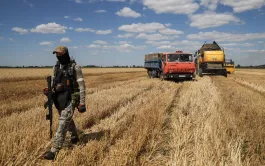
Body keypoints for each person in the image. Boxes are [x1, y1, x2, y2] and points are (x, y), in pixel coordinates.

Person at [43, 45, 86, 160]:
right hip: (59, 99)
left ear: (65, 54)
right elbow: (53, 82)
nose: (57, 56)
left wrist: (82, 102)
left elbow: (81, 86)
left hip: (71, 98)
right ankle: (74, 136)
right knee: (67, 119)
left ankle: (54, 150)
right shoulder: (56, 67)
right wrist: (49, 90)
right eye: (56, 54)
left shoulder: (75, 67)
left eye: (60, 54)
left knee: (62, 123)